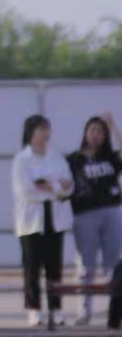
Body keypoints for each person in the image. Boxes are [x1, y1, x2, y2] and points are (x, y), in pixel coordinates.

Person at [12, 114, 74, 328]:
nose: (45, 133)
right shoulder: (22, 159)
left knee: (54, 266)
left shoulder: (56, 157)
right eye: (41, 129)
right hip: (31, 221)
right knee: (32, 267)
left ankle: (56, 309)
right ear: (31, 132)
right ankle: (33, 310)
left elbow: (69, 185)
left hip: (55, 217)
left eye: (47, 128)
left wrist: (49, 186)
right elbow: (26, 190)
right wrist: (55, 187)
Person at [65, 113, 121, 325]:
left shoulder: (110, 158)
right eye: (93, 130)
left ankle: (114, 312)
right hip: (85, 214)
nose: (96, 135)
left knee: (113, 265)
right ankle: (84, 311)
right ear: (85, 133)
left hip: (112, 212)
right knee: (85, 265)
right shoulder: (74, 159)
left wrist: (113, 126)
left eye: (101, 131)